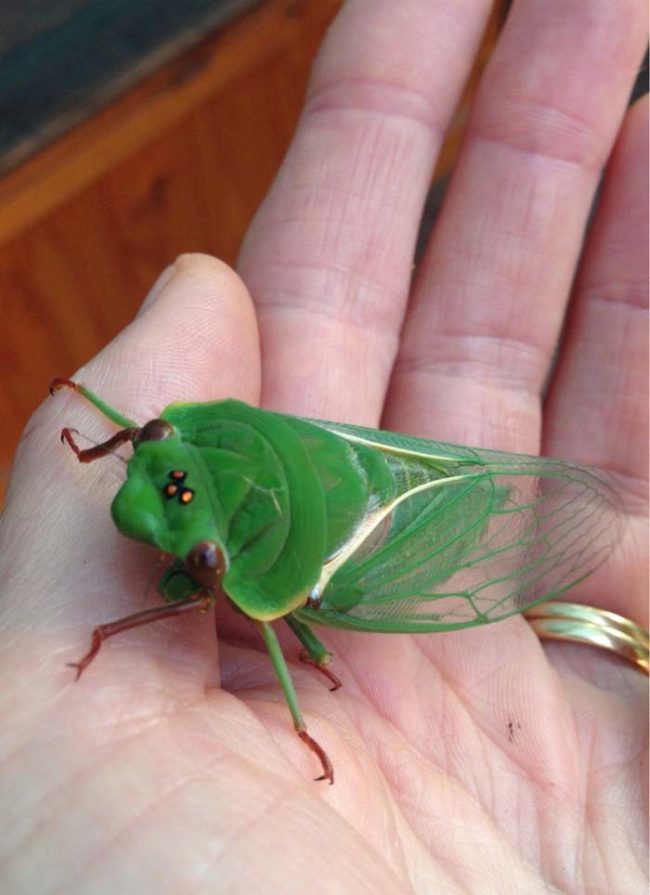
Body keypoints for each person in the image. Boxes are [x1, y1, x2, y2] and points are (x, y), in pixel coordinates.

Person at [0, 3, 647, 892]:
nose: (150, 481)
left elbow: (269, 623)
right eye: (151, 439)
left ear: (216, 561)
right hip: (317, 470)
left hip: (369, 550)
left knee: (292, 628)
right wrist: (115, 442)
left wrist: (117, 621)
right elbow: (182, 484)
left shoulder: (236, 567)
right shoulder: (191, 475)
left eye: (199, 553)